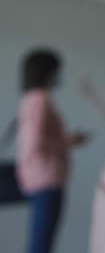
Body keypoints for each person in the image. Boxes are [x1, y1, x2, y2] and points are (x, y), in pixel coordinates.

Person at [17, 49, 88, 253]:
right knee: (41, 246)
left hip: (38, 178)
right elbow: (35, 145)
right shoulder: (39, 101)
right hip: (45, 180)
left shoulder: (30, 99)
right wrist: (70, 141)